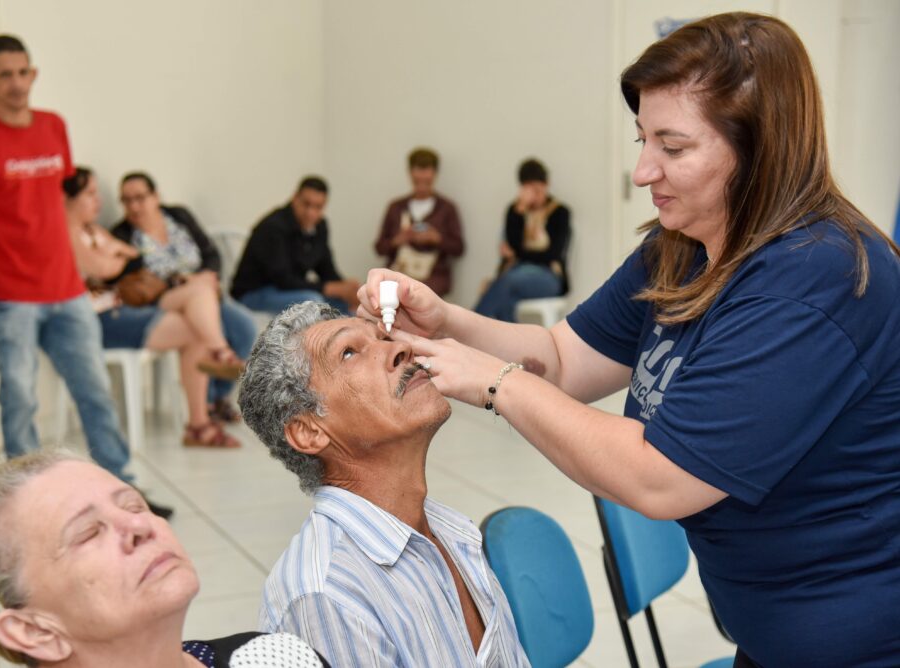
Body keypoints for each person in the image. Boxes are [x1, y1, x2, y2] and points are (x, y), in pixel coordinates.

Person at [358, 13, 900, 667]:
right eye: (643, 140)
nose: (644, 171)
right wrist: (447, 321)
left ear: (762, 148)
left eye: (673, 148)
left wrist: (498, 383)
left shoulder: (816, 277)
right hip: (773, 634)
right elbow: (561, 359)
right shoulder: (681, 247)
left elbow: (661, 477)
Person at [0, 35, 170, 516]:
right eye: (4, 74)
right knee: (20, 400)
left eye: (23, 72)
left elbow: (60, 204)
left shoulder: (53, 127)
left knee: (94, 392)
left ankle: (122, 489)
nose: (16, 83)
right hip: (10, 295)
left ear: (33, 74)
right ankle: (26, 508)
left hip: (66, 289)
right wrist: (3, 240)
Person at [239, 302, 530, 668]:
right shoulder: (327, 594)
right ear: (309, 431)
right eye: (349, 352)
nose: (401, 349)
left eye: (382, 337)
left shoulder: (451, 531)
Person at [0, 450, 330, 667]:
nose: (139, 527)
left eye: (133, 505)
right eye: (89, 533)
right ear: (35, 631)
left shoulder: (277, 659)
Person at [64, 168, 239, 448]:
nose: (98, 201)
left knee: (198, 320)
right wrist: (113, 255)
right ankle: (219, 356)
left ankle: (199, 423)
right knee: (200, 309)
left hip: (120, 310)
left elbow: (131, 255)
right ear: (69, 199)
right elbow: (104, 267)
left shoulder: (92, 230)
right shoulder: (67, 231)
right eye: (90, 194)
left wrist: (116, 254)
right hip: (98, 320)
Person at [111, 171, 257, 425]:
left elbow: (210, 252)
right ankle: (218, 362)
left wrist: (208, 276)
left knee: (243, 326)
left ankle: (217, 396)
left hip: (204, 296)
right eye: (126, 200)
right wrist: (181, 282)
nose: (133, 206)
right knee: (204, 320)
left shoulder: (179, 216)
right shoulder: (123, 235)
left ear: (155, 196)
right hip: (165, 303)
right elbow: (132, 282)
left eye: (139, 198)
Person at [230, 177, 360, 314]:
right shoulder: (273, 227)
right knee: (312, 301)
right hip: (254, 292)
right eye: (306, 204)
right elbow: (283, 279)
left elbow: (326, 268)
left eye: (318, 207)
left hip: (290, 289)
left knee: (343, 302)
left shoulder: (320, 226)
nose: (311, 212)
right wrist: (330, 288)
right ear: (295, 198)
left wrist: (345, 288)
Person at [474, 158, 571, 322]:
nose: (534, 195)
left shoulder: (560, 212)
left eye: (537, 189)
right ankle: (505, 346)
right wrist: (519, 213)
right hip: (516, 273)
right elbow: (513, 245)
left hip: (548, 276)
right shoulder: (515, 211)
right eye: (529, 189)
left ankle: (471, 328)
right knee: (506, 298)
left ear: (546, 185)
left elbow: (553, 254)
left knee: (505, 283)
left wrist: (519, 254)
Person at [374, 147, 465, 296]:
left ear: (435, 174)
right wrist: (398, 240)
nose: (422, 181)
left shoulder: (447, 208)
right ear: (410, 173)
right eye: (418, 177)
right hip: (399, 272)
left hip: (433, 276)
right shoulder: (396, 207)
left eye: (426, 177)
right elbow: (379, 248)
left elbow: (459, 248)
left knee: (417, 295)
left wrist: (436, 239)